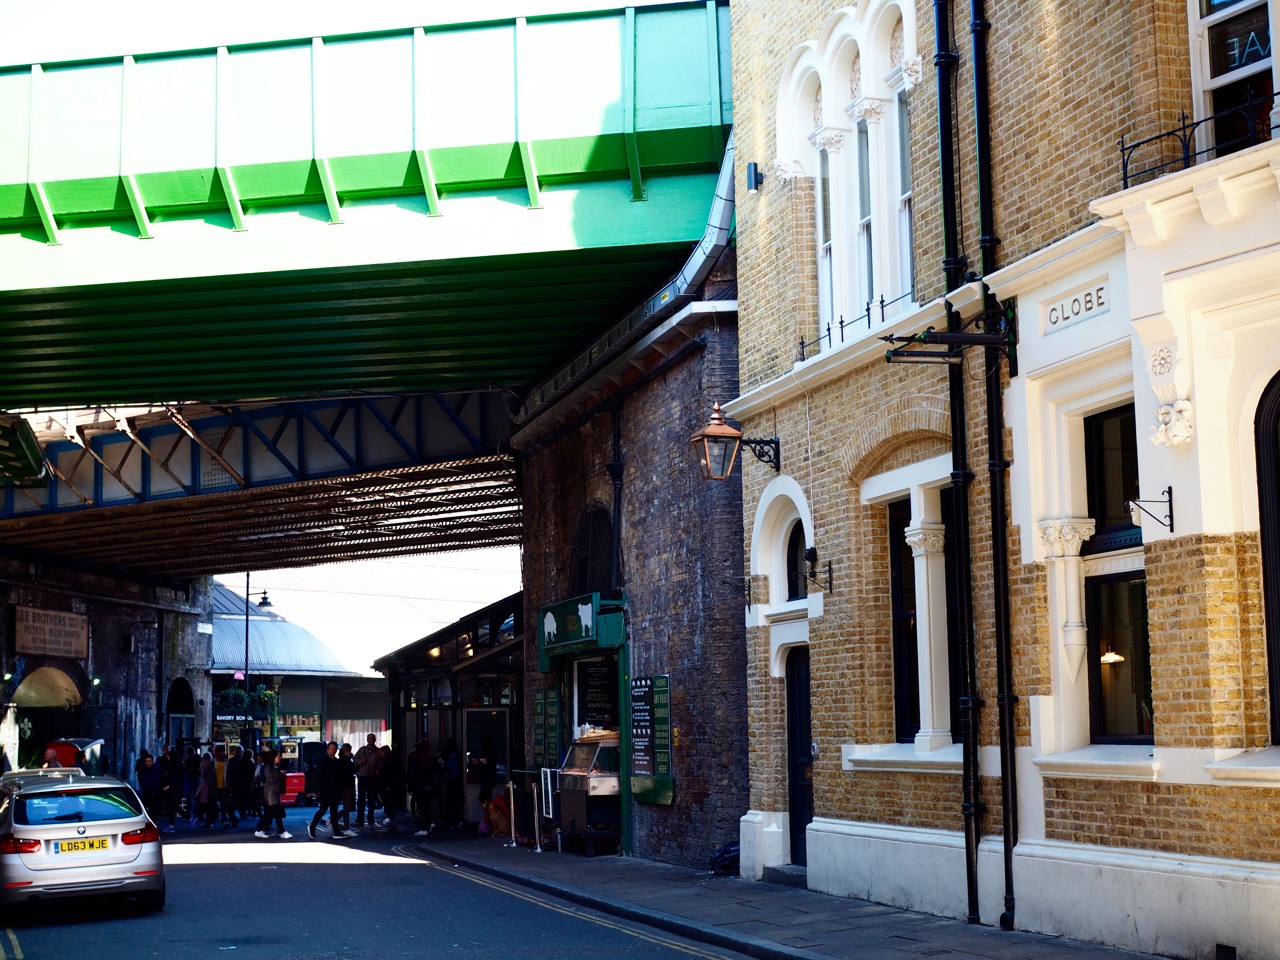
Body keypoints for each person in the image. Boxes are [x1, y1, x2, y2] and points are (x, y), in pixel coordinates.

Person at [308, 741, 350, 840]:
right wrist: (318, 790)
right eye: (331, 749)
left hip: (335, 790)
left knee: (334, 811)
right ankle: (312, 826)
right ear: (327, 749)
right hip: (325, 790)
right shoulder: (323, 761)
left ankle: (336, 831)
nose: (332, 750)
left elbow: (340, 776)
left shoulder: (337, 762)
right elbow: (318, 777)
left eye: (334, 749)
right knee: (323, 809)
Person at [253, 750, 291, 839]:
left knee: (270, 814)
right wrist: (281, 774)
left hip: (273, 793)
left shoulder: (274, 766)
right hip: (271, 793)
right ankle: (281, 831)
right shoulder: (268, 767)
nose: (279, 758)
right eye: (278, 756)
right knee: (275, 812)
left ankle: (261, 830)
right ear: (274, 757)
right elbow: (272, 780)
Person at [353, 733, 383, 827]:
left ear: (375, 740)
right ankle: (360, 818)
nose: (371, 740)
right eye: (369, 738)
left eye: (372, 738)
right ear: (367, 740)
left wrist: (378, 769)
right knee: (361, 799)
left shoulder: (378, 752)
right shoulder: (362, 750)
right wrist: (361, 762)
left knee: (371, 799)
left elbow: (382, 762)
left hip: (372, 778)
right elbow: (354, 759)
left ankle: (371, 818)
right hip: (362, 776)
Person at [377, 743, 403, 830]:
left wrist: (389, 784)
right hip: (389, 784)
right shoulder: (390, 760)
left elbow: (390, 774)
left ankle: (390, 817)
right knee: (389, 801)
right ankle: (390, 817)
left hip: (388, 784)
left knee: (389, 801)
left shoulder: (388, 761)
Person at [441, 738, 464, 831]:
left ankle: (454, 820)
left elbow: (451, 766)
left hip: (453, 780)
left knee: (452, 802)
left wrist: (443, 763)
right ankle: (455, 820)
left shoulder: (454, 755)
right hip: (455, 780)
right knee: (454, 802)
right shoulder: (456, 754)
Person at [471, 735, 498, 806]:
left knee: (484, 798)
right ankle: (489, 811)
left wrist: (478, 762)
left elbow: (487, 763)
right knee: (485, 797)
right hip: (487, 778)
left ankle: (490, 811)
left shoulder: (489, 752)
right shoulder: (490, 751)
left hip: (487, 778)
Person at [336, 743, 356, 832]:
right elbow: (351, 772)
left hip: (344, 785)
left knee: (346, 807)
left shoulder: (341, 760)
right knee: (347, 808)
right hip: (346, 786)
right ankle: (334, 819)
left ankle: (347, 827)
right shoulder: (347, 761)